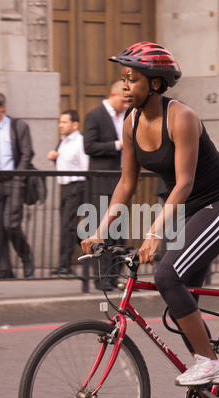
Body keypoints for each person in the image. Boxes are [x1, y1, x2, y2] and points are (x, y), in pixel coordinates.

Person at [81, 42, 219, 395]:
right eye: (123, 79)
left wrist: (155, 231)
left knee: (166, 274)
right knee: (179, 303)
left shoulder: (182, 117)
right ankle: (215, 392)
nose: (125, 86)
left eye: (132, 79)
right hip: (189, 208)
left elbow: (184, 182)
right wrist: (99, 230)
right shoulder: (131, 122)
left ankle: (210, 364)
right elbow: (126, 184)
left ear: (155, 84)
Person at [0, 92, 34, 279]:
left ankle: (26, 257)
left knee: (11, 225)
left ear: (2, 108)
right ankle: (5, 270)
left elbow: (27, 154)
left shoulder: (18, 126)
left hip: (13, 181)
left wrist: (19, 178)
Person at [83, 81, 128, 290]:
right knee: (102, 232)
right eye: (123, 100)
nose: (127, 104)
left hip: (121, 182)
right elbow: (89, 146)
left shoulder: (127, 117)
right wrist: (117, 145)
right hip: (101, 184)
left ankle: (117, 277)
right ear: (113, 95)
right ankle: (101, 278)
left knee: (119, 232)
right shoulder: (95, 115)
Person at [47, 110, 89, 276]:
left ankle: (65, 266)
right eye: (60, 122)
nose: (60, 125)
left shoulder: (80, 142)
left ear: (75, 124)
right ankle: (95, 253)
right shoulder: (63, 142)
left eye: (64, 122)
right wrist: (54, 160)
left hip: (76, 187)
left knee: (68, 227)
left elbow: (86, 167)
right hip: (64, 188)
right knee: (71, 229)